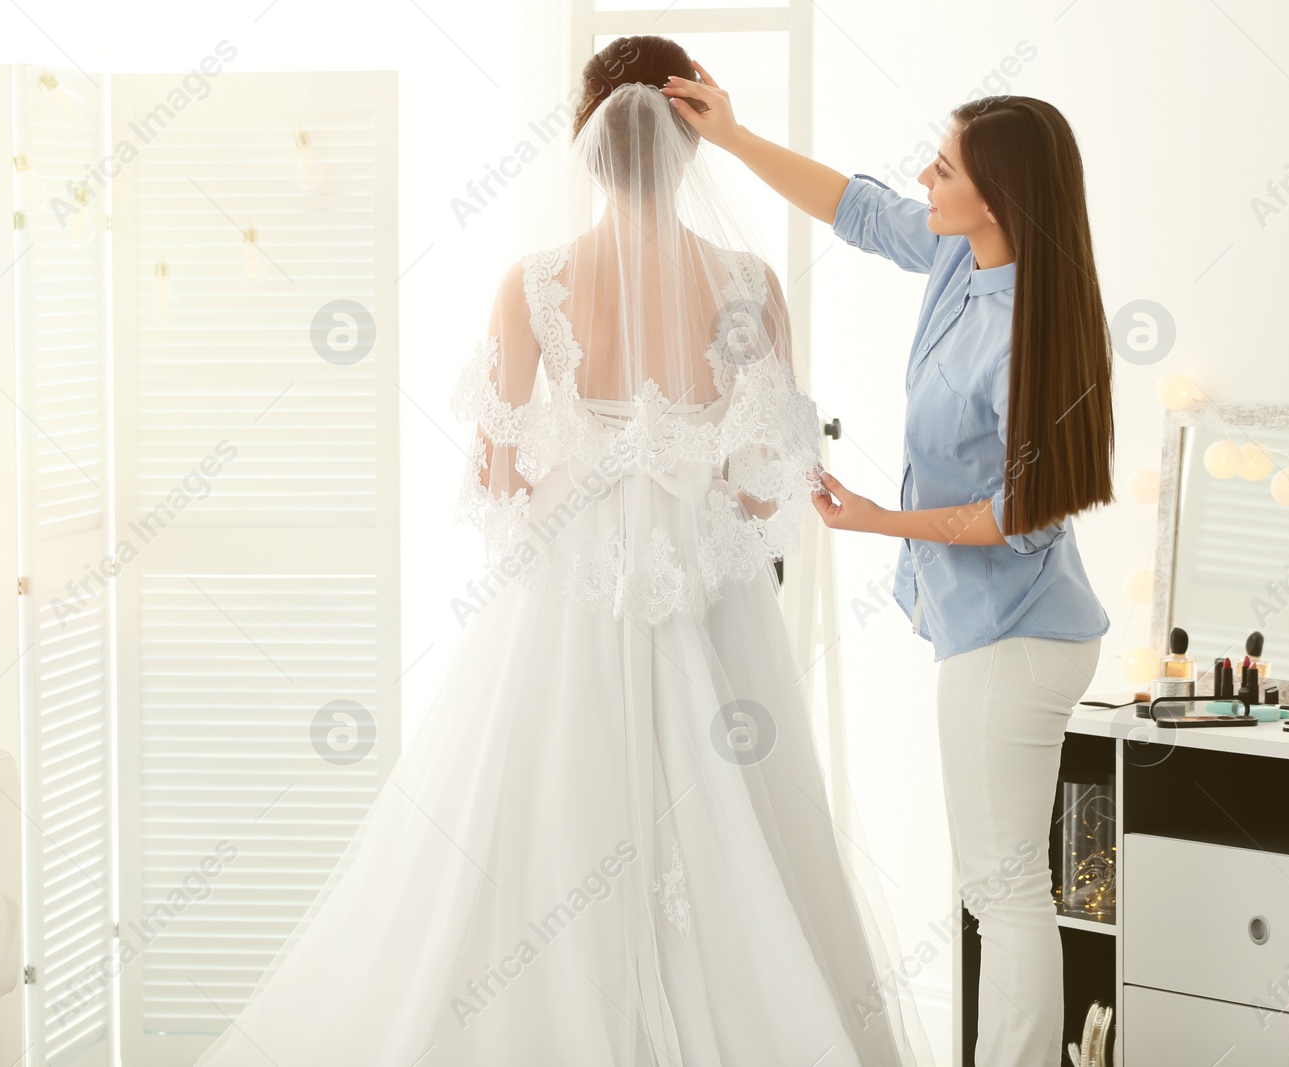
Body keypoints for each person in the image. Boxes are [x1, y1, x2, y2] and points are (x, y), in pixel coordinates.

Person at [193, 35, 928, 1067]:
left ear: (587, 143)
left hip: (574, 591)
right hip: (709, 594)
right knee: (744, 832)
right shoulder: (750, 282)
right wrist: (687, 484)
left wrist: (590, 487)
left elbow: (495, 476)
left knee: (525, 828)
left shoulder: (535, 282)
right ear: (690, 140)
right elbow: (770, 477)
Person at [662, 71, 1113, 1067]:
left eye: (943, 167)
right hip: (996, 629)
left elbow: (1017, 516)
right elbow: (858, 210)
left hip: (1016, 635)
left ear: (993, 197)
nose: (925, 176)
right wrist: (732, 136)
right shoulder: (961, 254)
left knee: (1004, 889)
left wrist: (878, 519)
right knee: (994, 883)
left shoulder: (1021, 329)